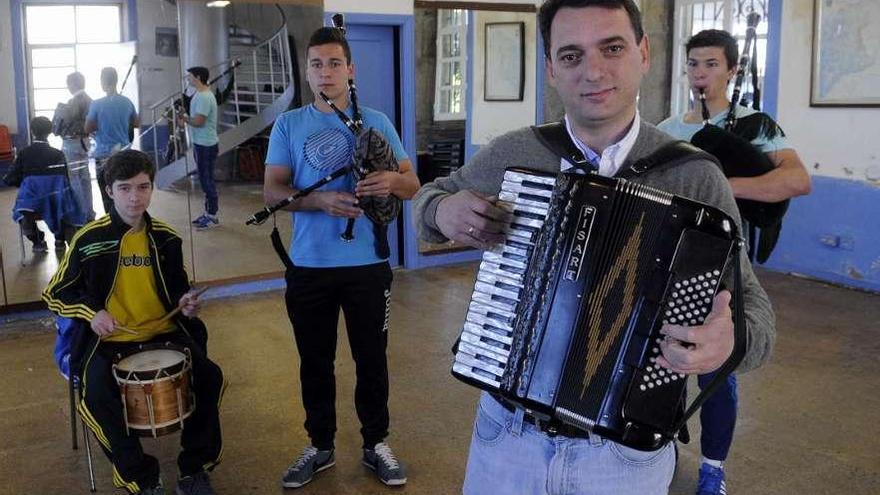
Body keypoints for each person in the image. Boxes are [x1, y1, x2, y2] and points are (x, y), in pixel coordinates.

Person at [412, 1, 776, 494]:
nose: (593, 71)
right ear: (551, 69)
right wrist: (442, 211)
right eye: (571, 55)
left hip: (623, 455)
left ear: (643, 53)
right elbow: (427, 202)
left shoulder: (694, 176)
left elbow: (754, 311)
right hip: (506, 436)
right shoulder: (516, 152)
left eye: (612, 48)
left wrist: (730, 344)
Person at [263, 26, 420, 489]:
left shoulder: (377, 121)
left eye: (334, 63)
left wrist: (391, 181)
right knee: (315, 361)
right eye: (317, 64)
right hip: (309, 266)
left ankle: (376, 443)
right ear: (307, 72)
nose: (326, 72)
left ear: (350, 69)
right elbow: (272, 191)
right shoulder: (289, 124)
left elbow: (412, 184)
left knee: (372, 359)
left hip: (368, 265)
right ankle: (320, 445)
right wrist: (319, 201)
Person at [657, 28, 810, 495]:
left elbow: (796, 181)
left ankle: (712, 468)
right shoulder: (667, 130)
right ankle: (656, 448)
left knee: (717, 370)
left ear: (731, 70)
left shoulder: (756, 126)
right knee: (660, 361)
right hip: (669, 260)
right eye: (693, 64)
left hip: (724, 266)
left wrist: (720, 186)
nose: (700, 74)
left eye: (711, 64)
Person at [42, 150, 224, 495]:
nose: (135, 198)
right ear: (109, 191)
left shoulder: (167, 238)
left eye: (143, 187)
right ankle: (141, 476)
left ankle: (194, 468)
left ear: (152, 187)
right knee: (96, 395)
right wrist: (92, 313)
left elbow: (178, 287)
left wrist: (185, 304)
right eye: (124, 188)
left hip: (164, 333)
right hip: (109, 341)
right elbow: (54, 293)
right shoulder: (88, 239)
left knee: (211, 377)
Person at [4, 116, 84, 252]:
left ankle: (37, 241)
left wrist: (25, 185)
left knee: (23, 210)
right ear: (50, 132)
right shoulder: (58, 154)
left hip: (31, 204)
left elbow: (9, 178)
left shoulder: (24, 153)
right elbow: (65, 182)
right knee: (63, 200)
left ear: (32, 131)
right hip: (56, 202)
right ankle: (60, 239)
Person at [85, 66, 138, 215]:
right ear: (116, 80)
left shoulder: (96, 104)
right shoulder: (127, 102)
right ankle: (126, 218)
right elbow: (136, 122)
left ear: (103, 81)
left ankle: (111, 220)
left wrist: (101, 123)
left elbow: (87, 128)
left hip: (103, 155)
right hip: (124, 154)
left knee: (107, 193)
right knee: (124, 190)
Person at [181, 66, 220, 230]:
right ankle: (208, 213)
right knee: (205, 180)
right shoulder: (199, 94)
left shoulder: (204, 97)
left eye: (190, 76)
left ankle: (212, 216)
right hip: (201, 144)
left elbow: (198, 122)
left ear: (197, 77)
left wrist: (184, 118)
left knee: (207, 181)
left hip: (206, 145)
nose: (188, 79)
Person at [54, 71, 95, 221]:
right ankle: (90, 213)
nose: (68, 87)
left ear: (72, 84)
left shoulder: (72, 102)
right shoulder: (91, 101)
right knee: (85, 178)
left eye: (68, 84)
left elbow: (59, 127)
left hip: (71, 143)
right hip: (85, 142)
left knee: (74, 179)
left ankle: (81, 215)